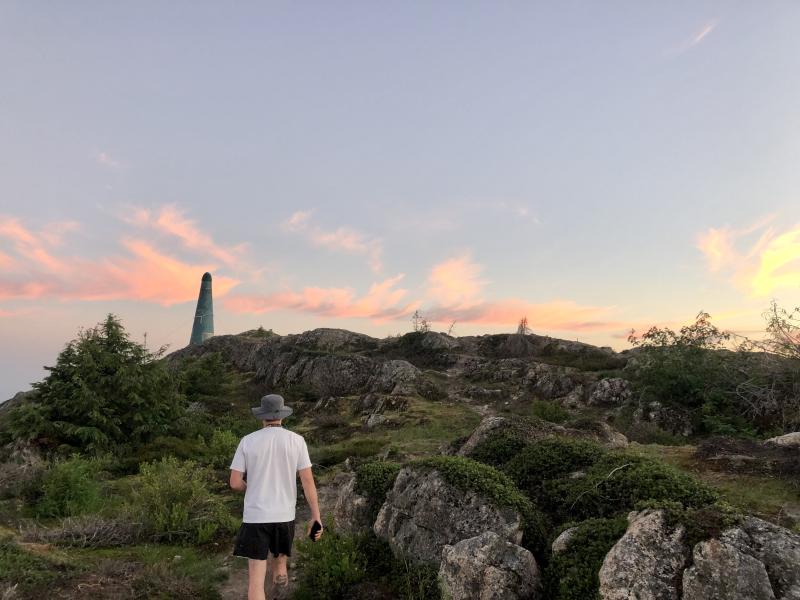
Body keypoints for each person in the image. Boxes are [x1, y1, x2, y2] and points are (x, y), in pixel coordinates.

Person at [229, 393, 323, 600]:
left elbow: (235, 482)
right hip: (284, 516)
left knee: (256, 581)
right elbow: (308, 481)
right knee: (280, 567)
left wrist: (251, 488)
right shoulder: (297, 441)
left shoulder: (247, 441)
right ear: (282, 415)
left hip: (256, 518)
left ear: (262, 416)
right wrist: (316, 517)